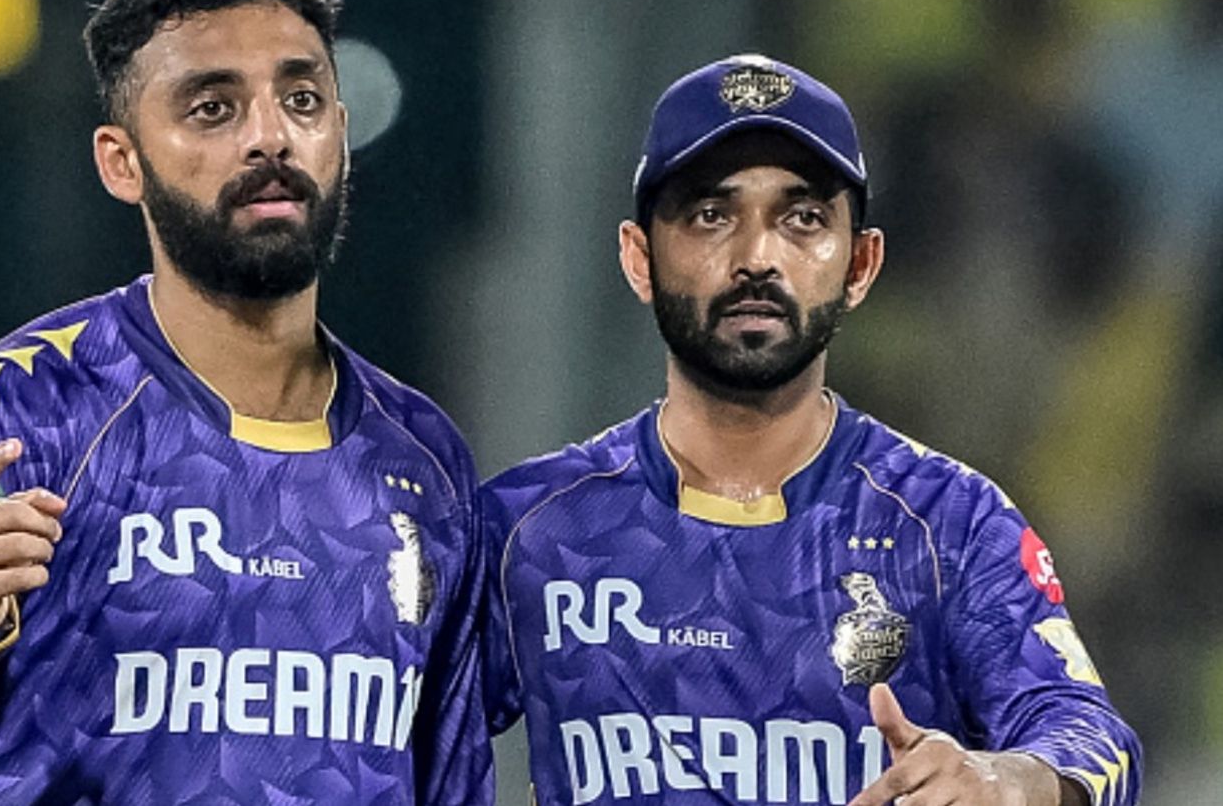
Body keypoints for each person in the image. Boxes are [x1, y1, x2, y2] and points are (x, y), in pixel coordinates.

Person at [0, 0, 492, 805]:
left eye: (303, 98)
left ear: (341, 136)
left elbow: (455, 782)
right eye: (213, 109)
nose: (271, 136)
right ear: (121, 162)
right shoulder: (18, 412)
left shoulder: (423, 464)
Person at [481, 54, 1140, 806]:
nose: (757, 257)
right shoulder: (529, 530)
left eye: (802, 219)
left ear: (860, 264)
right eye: (710, 214)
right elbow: (389, 740)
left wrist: (1010, 780)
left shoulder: (950, 526)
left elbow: (1091, 734)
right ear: (639, 259)